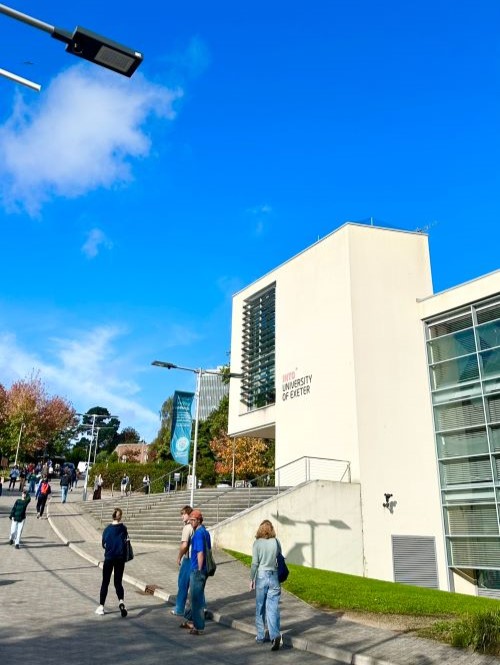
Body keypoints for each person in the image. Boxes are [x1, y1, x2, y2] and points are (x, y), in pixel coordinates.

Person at [249, 519, 282, 651]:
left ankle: (261, 635)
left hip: (261, 576)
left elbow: (254, 564)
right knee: (273, 607)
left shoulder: (257, 543)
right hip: (274, 575)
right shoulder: (276, 541)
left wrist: (252, 579)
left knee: (260, 606)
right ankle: (275, 635)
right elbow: (280, 557)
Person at [180, 509, 210, 635]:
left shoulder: (198, 534)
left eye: (193, 520)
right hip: (203, 569)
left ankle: (199, 627)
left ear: (199, 520)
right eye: (190, 520)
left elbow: (201, 552)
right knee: (193, 597)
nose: (191, 522)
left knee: (196, 599)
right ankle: (191, 621)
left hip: (197, 569)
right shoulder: (205, 532)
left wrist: (198, 569)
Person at [95, 508, 129, 617]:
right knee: (118, 583)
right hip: (120, 559)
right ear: (120, 517)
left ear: (112, 516)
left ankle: (101, 607)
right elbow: (126, 541)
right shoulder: (123, 528)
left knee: (105, 582)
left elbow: (103, 544)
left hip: (109, 558)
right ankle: (121, 602)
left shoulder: (107, 529)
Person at [171, 505, 193, 616]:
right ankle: (202, 608)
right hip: (196, 558)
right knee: (195, 585)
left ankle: (179, 608)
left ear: (189, 515)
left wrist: (179, 556)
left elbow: (184, 545)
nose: (182, 516)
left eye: (183, 514)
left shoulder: (187, 528)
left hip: (188, 559)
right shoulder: (197, 527)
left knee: (183, 583)